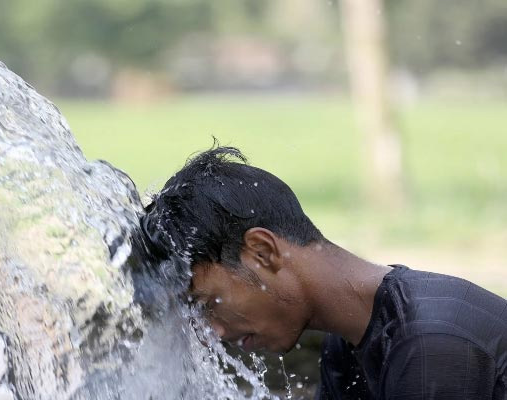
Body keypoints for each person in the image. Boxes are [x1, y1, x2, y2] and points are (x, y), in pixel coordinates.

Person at [141, 145, 507, 399]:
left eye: (208, 302)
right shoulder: (347, 344)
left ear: (262, 252)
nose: (211, 332)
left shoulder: (433, 341)